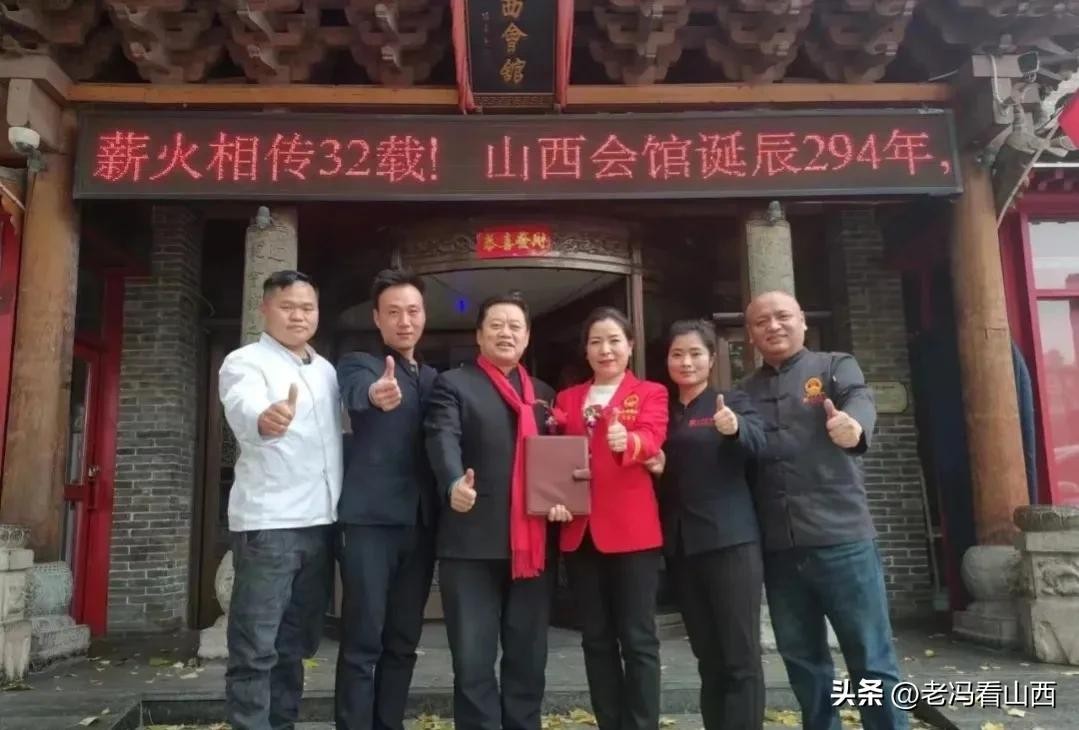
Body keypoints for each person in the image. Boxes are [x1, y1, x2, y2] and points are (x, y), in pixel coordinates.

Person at [740, 290, 908, 730]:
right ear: (750, 334)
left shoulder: (834, 366)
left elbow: (859, 398)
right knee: (804, 665)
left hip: (843, 540)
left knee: (871, 660)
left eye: (782, 316)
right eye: (761, 321)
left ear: (802, 321)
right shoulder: (744, 392)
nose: (773, 326)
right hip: (780, 549)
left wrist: (855, 426)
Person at [424, 292, 562, 730]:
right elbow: (442, 436)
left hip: (533, 549)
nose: (506, 333)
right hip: (471, 544)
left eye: (515, 326)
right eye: (496, 325)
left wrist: (564, 497)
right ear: (479, 335)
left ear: (527, 337)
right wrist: (452, 482)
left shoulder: (543, 395)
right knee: (473, 661)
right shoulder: (453, 384)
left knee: (528, 658)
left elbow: (558, 461)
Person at [218, 270, 342, 730]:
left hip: (321, 523)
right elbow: (243, 405)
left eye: (307, 307)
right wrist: (264, 417)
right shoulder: (245, 363)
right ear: (265, 309)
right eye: (287, 306)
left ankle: (282, 723)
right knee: (255, 648)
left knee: (295, 645)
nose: (298, 316)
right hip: (269, 526)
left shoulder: (325, 370)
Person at [548, 306, 669, 730]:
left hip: (633, 532)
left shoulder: (651, 392)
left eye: (614, 340)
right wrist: (554, 497)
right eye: (596, 342)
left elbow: (653, 436)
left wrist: (628, 440)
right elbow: (554, 460)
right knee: (596, 640)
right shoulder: (567, 399)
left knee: (638, 639)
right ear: (586, 350)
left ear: (630, 346)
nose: (605, 350)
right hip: (580, 531)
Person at [645, 319, 767, 730]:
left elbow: (759, 442)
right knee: (708, 657)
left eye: (695, 353)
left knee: (740, 657)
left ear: (712, 359)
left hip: (729, 542)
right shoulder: (661, 410)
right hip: (682, 547)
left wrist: (736, 429)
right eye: (677, 354)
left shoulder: (730, 402)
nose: (686, 362)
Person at [334, 269, 438, 730]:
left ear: (424, 316)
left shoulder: (434, 379)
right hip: (370, 525)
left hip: (420, 525)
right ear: (377, 318)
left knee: (403, 641)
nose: (404, 321)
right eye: (393, 312)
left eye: (412, 311)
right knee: (363, 641)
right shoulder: (360, 365)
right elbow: (358, 394)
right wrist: (376, 394)